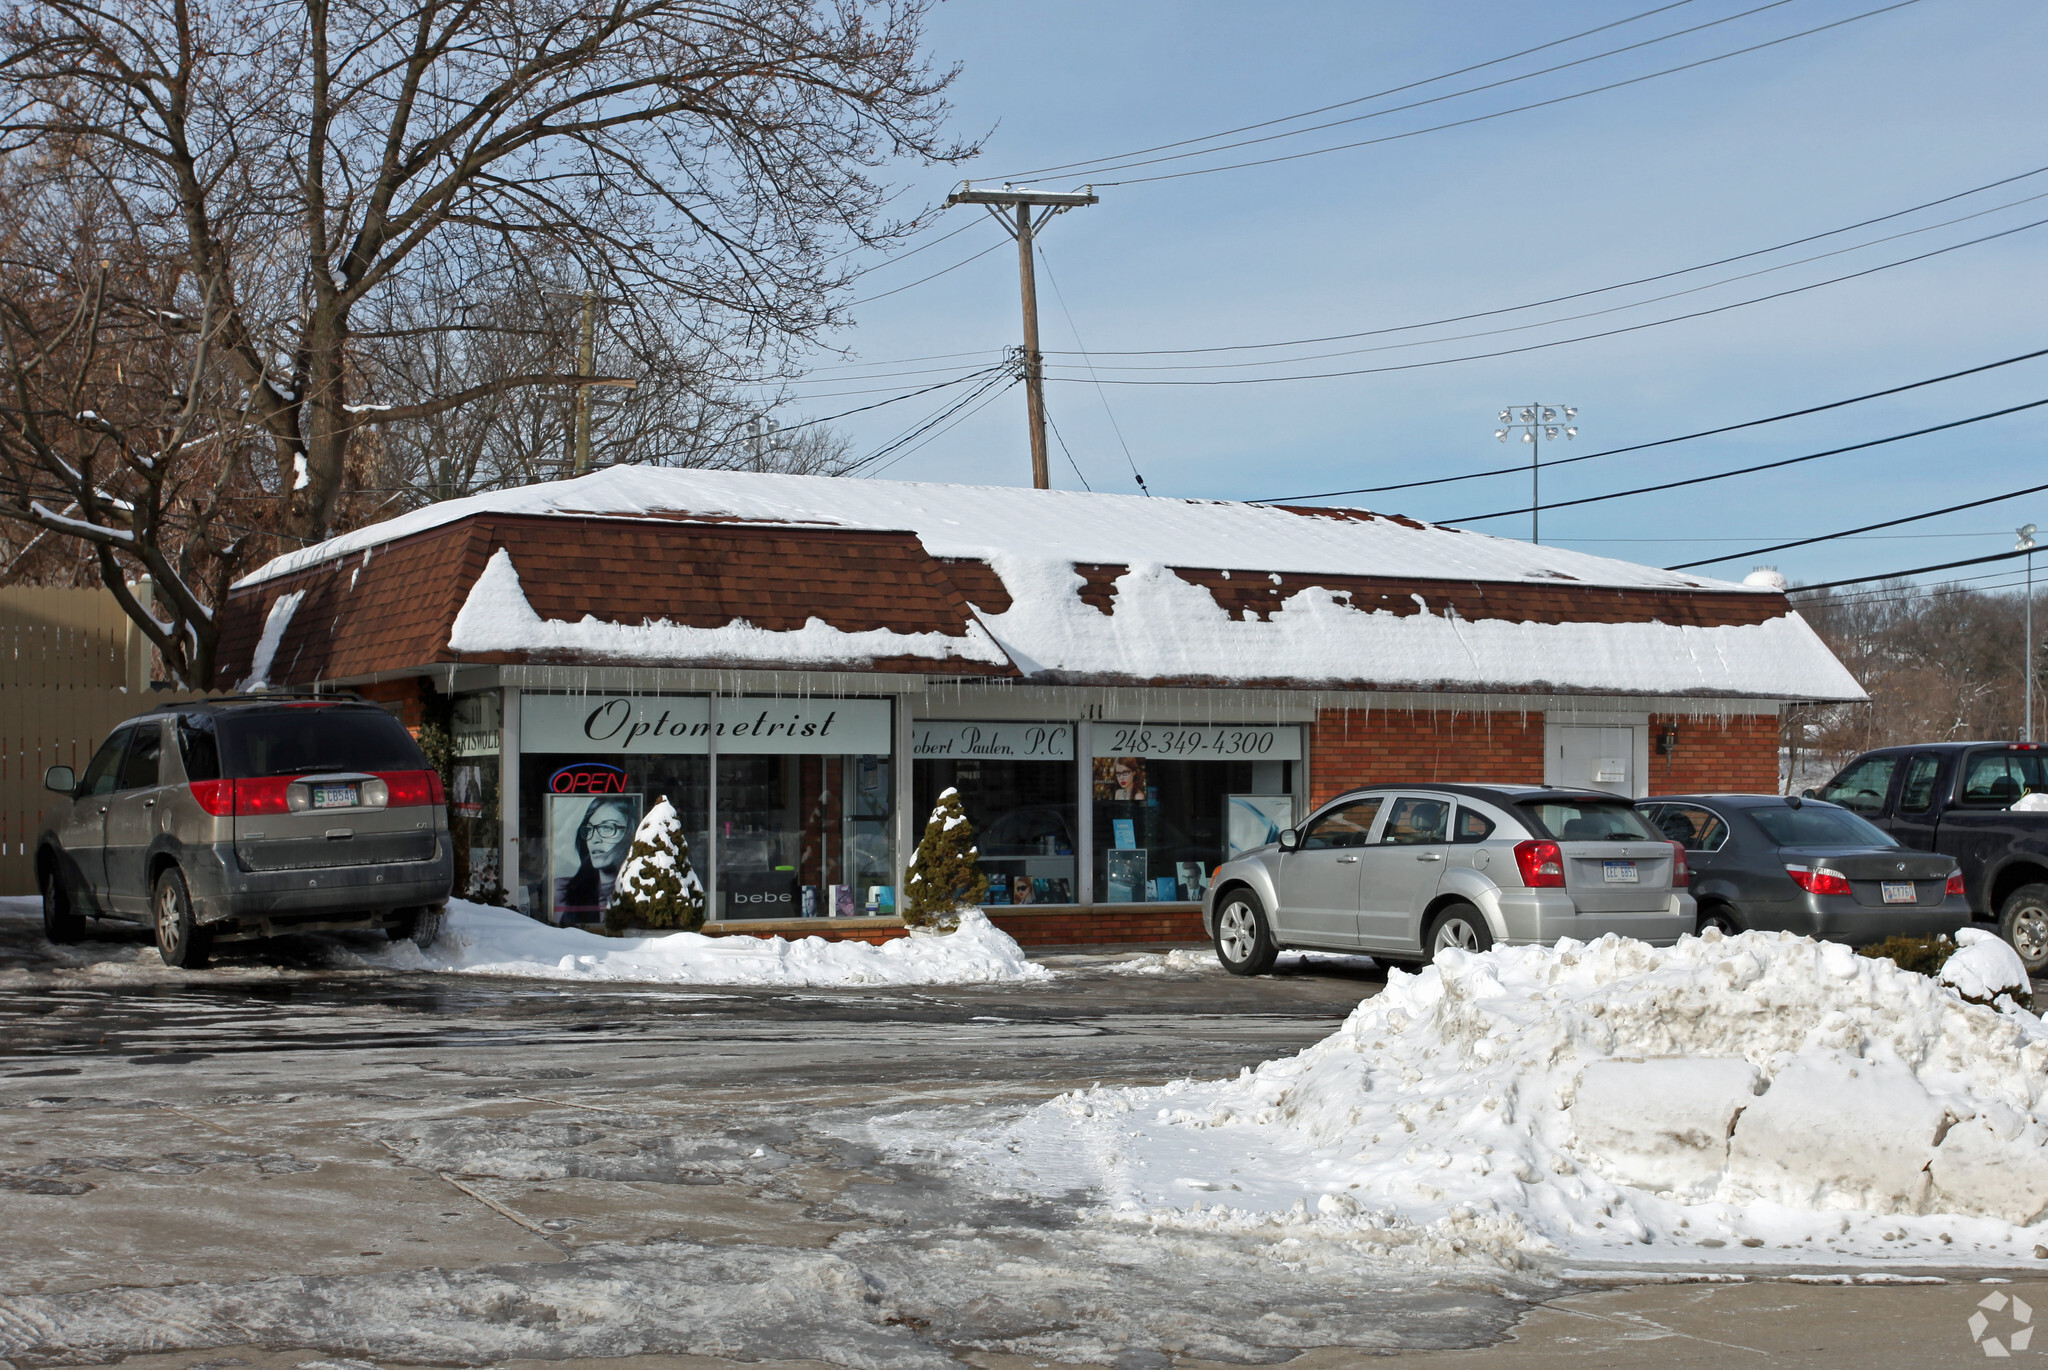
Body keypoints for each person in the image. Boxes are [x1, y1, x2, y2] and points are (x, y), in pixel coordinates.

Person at [555, 796, 636, 922]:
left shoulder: (640, 891)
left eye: (607, 828)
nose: (594, 839)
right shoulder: (562, 890)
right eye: (590, 829)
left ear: (631, 833)